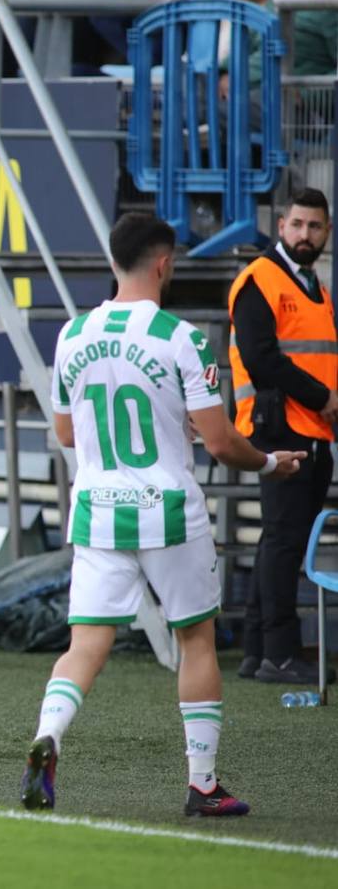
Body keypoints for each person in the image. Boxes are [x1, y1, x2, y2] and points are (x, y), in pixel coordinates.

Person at [21, 213, 305, 818]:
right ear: (164, 263)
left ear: (113, 261)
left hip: (98, 510)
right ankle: (203, 784)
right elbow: (221, 442)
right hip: (167, 511)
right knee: (195, 639)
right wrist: (270, 462)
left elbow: (66, 433)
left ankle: (49, 735)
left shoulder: (72, 334)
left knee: (85, 644)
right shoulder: (180, 338)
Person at [227, 188, 338, 685]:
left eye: (314, 226)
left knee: (280, 540)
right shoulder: (260, 279)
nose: (304, 234)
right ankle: (280, 653)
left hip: (310, 429)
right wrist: (323, 397)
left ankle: (257, 652)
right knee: (286, 542)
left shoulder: (314, 286)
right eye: (297, 224)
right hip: (280, 429)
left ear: (327, 232)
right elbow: (261, 359)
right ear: (281, 227)